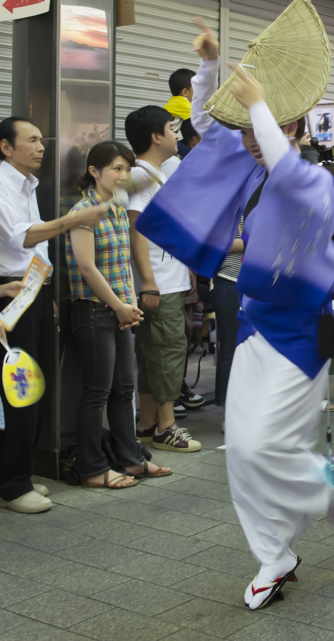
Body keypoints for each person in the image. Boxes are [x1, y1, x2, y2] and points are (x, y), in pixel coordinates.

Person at [136, 6, 334, 611]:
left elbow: (285, 167)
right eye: (243, 131)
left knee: (265, 447)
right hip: (257, 329)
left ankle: (328, 485)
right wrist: (210, 69)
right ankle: (275, 553)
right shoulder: (256, 167)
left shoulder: (311, 179)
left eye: (254, 128)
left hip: (300, 337)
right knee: (243, 448)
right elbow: (211, 137)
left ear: (288, 127)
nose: (242, 142)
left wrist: (261, 107)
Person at [0, 117, 108, 513]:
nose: (41, 146)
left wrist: (46, 292)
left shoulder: (27, 184)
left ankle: (18, 473)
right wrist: (71, 221)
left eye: (41, 140)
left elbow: (33, 249)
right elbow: (21, 236)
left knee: (35, 385)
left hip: (33, 291)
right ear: (6, 147)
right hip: (10, 294)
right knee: (19, 389)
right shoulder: (1, 184)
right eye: (30, 140)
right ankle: (12, 486)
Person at [66, 141, 172, 489]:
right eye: (116, 168)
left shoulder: (115, 207)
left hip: (121, 308)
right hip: (94, 310)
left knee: (124, 388)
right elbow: (86, 267)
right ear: (94, 172)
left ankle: (132, 459)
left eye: (126, 168)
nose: (123, 175)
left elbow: (119, 266)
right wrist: (118, 305)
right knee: (97, 391)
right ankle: (92, 468)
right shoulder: (84, 210)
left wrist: (129, 304)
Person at [125, 105, 201, 453]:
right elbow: (136, 229)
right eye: (171, 130)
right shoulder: (141, 175)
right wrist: (148, 281)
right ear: (156, 137)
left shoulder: (155, 173)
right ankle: (166, 426)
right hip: (159, 283)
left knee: (153, 352)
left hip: (168, 277)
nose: (176, 135)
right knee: (168, 350)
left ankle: (147, 422)